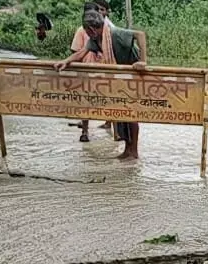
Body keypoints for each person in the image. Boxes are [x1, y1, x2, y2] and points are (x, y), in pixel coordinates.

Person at [56, 10, 148, 160]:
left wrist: (143, 62)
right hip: (118, 77)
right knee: (120, 112)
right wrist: (66, 61)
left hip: (133, 75)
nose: (86, 32)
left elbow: (140, 35)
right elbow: (81, 53)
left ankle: (134, 151)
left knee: (131, 113)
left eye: (86, 30)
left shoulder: (115, 34)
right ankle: (127, 150)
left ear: (91, 29)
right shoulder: (95, 40)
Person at [68, 2, 101, 141]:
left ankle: (112, 130)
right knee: (86, 101)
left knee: (106, 99)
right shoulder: (82, 31)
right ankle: (85, 132)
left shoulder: (105, 30)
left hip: (99, 69)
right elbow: (76, 51)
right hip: (88, 69)